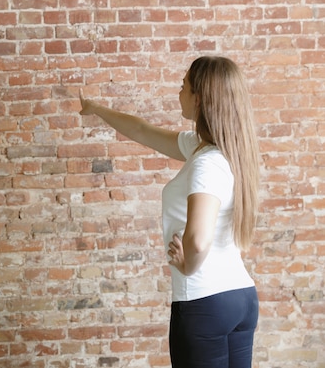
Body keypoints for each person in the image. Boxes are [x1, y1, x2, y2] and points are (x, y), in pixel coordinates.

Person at [79, 56, 260, 368]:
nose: (178, 92)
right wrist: (95, 108)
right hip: (240, 297)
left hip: (205, 303)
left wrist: (188, 265)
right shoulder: (219, 151)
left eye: (183, 86)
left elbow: (199, 240)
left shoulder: (206, 163)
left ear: (199, 98)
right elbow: (142, 130)